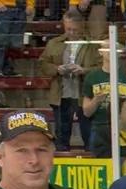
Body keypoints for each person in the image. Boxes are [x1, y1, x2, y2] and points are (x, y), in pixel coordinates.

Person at [39, 8, 97, 152]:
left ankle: (91, 161)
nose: (71, 32)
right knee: (61, 136)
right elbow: (43, 64)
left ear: (82, 26)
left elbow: (102, 67)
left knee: (88, 134)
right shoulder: (54, 43)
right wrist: (57, 69)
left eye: (75, 29)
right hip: (61, 95)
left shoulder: (93, 45)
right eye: (68, 29)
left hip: (84, 97)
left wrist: (84, 70)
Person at [82, 55, 126, 160]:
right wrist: (96, 100)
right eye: (106, 48)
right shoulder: (92, 76)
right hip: (99, 126)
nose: (110, 51)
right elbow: (86, 112)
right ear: (100, 52)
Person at [0, 0, 33, 77]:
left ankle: (7, 68)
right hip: (4, 7)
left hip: (21, 8)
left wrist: (30, 4)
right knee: (0, 39)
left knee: (14, 43)